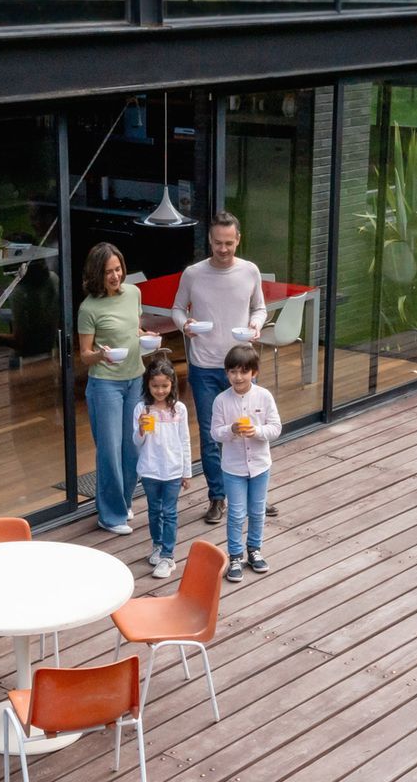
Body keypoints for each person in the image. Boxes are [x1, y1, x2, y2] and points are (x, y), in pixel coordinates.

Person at [172, 212, 273, 526]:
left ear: (238, 240)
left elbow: (259, 307)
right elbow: (177, 308)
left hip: (241, 366)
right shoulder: (193, 274)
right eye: (218, 243)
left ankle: (251, 494)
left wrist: (256, 325)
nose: (224, 249)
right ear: (210, 240)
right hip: (204, 367)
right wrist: (183, 325)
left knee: (248, 431)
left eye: (229, 243)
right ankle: (217, 496)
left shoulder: (250, 271)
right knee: (211, 435)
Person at [76, 242, 160, 535]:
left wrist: (145, 336)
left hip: (134, 379)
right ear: (96, 274)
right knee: (109, 451)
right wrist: (101, 355)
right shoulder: (88, 308)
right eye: (108, 271)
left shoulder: (134, 293)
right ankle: (109, 516)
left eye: (118, 269)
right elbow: (84, 354)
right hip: (106, 386)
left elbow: (132, 330)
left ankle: (122, 504)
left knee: (132, 446)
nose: (114, 276)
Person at [207, 343, 281, 583]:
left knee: (257, 510)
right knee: (236, 513)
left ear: (254, 372)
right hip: (233, 468)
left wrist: (256, 431)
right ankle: (235, 555)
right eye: (232, 372)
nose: (237, 377)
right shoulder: (221, 400)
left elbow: (276, 428)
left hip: (260, 465)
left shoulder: (264, 396)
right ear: (226, 373)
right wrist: (231, 429)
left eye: (243, 372)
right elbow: (215, 433)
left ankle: (255, 549)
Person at [134, 357, 189, 579]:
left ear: (172, 384)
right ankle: (157, 545)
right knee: (154, 510)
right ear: (148, 384)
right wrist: (141, 428)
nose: (160, 390)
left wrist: (187, 472)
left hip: (173, 469)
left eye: (164, 386)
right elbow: (136, 442)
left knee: (170, 512)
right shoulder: (142, 408)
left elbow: (185, 440)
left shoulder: (179, 410)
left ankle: (168, 555)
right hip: (150, 469)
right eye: (155, 386)